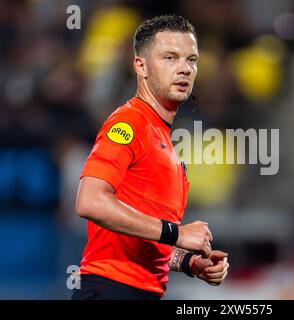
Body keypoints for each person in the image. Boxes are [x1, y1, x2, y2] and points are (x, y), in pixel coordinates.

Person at [72, 15, 229, 300]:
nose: (184, 69)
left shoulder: (163, 139)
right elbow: (90, 202)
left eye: (191, 60)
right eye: (170, 58)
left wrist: (189, 262)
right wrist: (176, 233)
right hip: (110, 291)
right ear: (140, 66)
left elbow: (137, 237)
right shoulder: (130, 123)